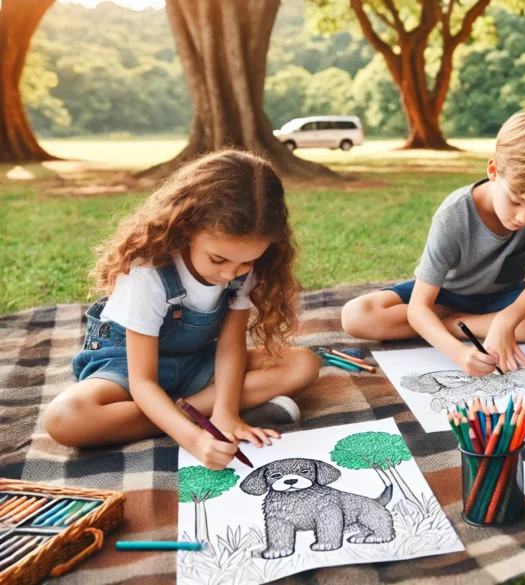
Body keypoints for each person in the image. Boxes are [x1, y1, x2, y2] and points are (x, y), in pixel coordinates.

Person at [44, 150, 321, 469]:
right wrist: (193, 438)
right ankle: (186, 416)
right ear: (186, 227)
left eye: (247, 262)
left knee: (302, 364)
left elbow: (231, 347)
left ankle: (191, 412)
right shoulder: (148, 272)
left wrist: (226, 412)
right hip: (127, 365)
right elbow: (143, 382)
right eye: (218, 260)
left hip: (197, 361)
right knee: (65, 418)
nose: (231, 274)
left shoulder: (240, 266)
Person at [341, 111, 525, 376]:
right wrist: (459, 353)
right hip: (445, 293)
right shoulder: (454, 214)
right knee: (356, 315)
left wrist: (505, 322)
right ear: (493, 170)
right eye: (516, 201)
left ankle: (456, 324)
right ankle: (452, 321)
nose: (524, 218)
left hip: (503, 298)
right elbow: (418, 308)